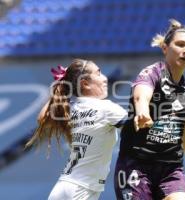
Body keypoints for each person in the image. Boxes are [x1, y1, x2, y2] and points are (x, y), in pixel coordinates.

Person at [114, 19, 185, 200]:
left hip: (171, 168)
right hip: (136, 165)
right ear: (165, 48)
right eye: (180, 44)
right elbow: (141, 94)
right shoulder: (152, 73)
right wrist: (142, 111)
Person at [25, 59, 127, 200]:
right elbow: (138, 128)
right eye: (98, 73)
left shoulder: (71, 107)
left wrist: (60, 84)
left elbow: (42, 118)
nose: (105, 78)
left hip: (63, 187)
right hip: (81, 190)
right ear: (85, 83)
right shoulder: (107, 108)